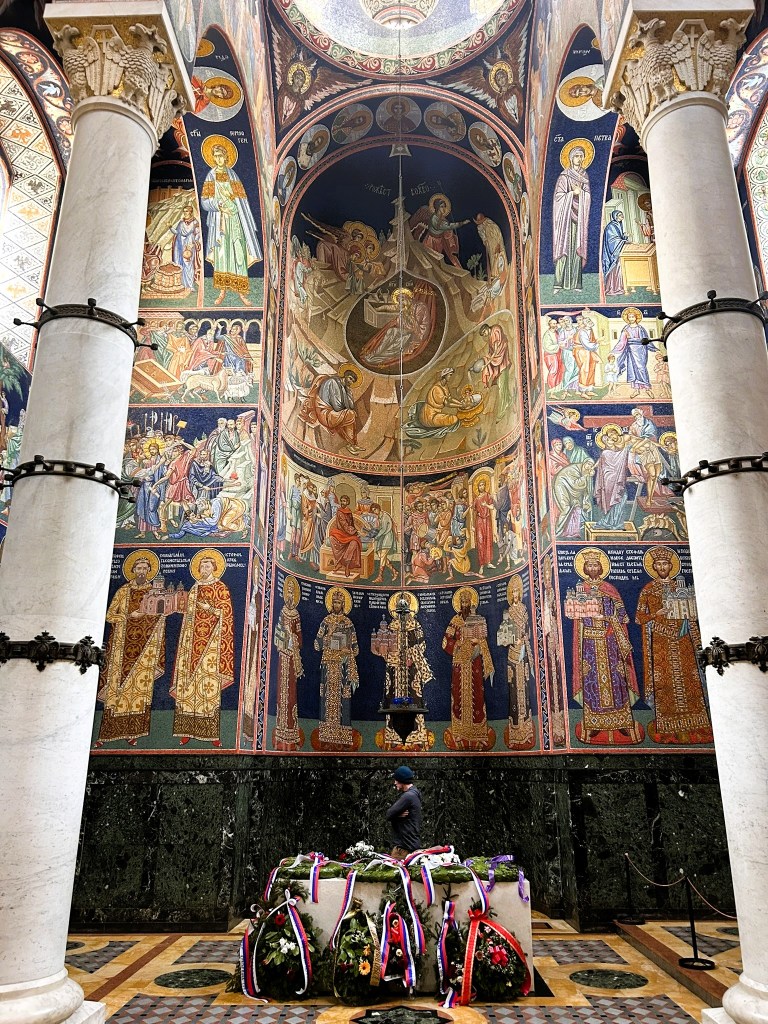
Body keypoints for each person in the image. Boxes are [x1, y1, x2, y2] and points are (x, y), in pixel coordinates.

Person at [565, 548, 643, 745]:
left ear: (601, 567)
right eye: (589, 564)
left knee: (617, 677)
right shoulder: (580, 589)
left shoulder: (610, 589)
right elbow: (576, 617)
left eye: (595, 564)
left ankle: (622, 722)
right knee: (591, 679)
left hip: (610, 641)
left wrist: (607, 619)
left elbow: (623, 615)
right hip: (590, 642)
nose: (592, 567)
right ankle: (593, 724)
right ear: (585, 568)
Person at [635, 547, 713, 744]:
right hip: (661, 642)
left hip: (683, 640)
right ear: (654, 567)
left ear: (671, 566)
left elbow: (692, 612)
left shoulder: (682, 589)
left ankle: (697, 726)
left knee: (690, 681)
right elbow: (639, 618)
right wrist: (656, 614)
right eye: (659, 564)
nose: (662, 567)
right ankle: (669, 728)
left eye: (665, 564)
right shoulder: (648, 590)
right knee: (665, 683)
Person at [94, 552, 167, 747]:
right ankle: (106, 734)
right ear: (132, 570)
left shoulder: (155, 592)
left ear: (149, 571)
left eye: (145, 568)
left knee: (139, 692)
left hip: (145, 649)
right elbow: (110, 615)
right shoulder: (123, 591)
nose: (141, 571)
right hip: (121, 646)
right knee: (116, 690)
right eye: (138, 568)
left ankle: (133, 732)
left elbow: (161, 615)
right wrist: (128, 616)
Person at [170, 551, 234, 745]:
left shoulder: (221, 587)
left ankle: (211, 734)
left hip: (212, 643)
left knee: (208, 689)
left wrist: (210, 610)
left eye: (208, 566)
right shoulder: (195, 588)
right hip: (191, 642)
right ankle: (185, 730)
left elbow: (226, 614)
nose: (204, 569)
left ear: (214, 568)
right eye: (202, 566)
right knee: (187, 688)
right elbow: (188, 615)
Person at [200, 141, 262, 306]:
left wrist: (232, 198)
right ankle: (222, 291)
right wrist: (218, 205)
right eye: (216, 156)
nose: (219, 159)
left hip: (235, 219)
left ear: (227, 157)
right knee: (222, 254)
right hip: (220, 220)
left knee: (239, 252)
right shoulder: (210, 176)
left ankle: (241, 292)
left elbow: (242, 201)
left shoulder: (233, 175)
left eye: (221, 156)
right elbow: (205, 202)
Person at [442, 586, 495, 750]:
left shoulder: (478, 619)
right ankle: (459, 732)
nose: (465, 604)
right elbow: (445, 642)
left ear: (471, 603)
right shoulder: (455, 621)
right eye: (462, 602)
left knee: (477, 696)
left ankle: (478, 733)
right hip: (459, 663)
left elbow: (483, 639)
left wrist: (478, 642)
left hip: (474, 662)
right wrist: (457, 644)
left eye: (467, 601)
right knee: (458, 696)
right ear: (459, 604)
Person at [314, 587, 359, 749]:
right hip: (328, 664)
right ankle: (326, 735)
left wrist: (346, 648)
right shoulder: (326, 622)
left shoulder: (348, 624)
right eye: (334, 602)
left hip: (343, 666)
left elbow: (356, 648)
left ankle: (343, 737)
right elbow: (316, 644)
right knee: (326, 697)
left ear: (344, 604)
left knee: (344, 698)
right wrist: (326, 640)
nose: (336, 604)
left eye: (339, 602)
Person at [552, 144, 591, 292]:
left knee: (576, 250)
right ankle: (558, 283)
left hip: (578, 219)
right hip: (566, 220)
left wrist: (581, 193)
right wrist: (571, 194)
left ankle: (577, 283)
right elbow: (558, 197)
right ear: (570, 158)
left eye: (581, 156)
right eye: (576, 156)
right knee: (564, 249)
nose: (579, 159)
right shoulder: (564, 176)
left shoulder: (584, 176)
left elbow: (587, 196)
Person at [611, 307, 657, 398]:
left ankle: (647, 389)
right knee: (633, 369)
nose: (631, 318)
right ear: (627, 318)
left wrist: (653, 348)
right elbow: (622, 341)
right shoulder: (626, 328)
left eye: (633, 316)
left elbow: (646, 339)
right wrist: (614, 350)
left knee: (641, 368)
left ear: (636, 317)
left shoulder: (640, 328)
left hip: (640, 350)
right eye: (629, 317)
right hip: (630, 351)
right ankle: (636, 390)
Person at [386, 765, 422, 858]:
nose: (395, 783)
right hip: (411, 844)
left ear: (402, 780)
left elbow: (389, 814)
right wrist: (398, 815)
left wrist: (396, 815)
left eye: (396, 780)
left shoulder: (408, 796)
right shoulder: (415, 793)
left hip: (403, 848)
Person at [601, 210, 629, 296]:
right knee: (615, 270)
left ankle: (619, 287)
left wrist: (624, 237)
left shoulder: (618, 224)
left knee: (619, 270)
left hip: (618, 251)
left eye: (622, 215)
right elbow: (612, 241)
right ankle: (613, 289)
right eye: (620, 215)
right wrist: (623, 241)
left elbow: (618, 237)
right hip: (613, 253)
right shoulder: (611, 226)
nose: (622, 217)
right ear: (615, 216)